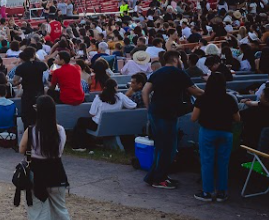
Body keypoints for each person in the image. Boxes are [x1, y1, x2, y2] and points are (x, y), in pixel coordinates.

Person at [19, 95, 81, 220]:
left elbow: (22, 149)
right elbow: (59, 151)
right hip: (57, 173)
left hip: (37, 175)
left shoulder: (31, 130)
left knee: (39, 213)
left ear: (37, 111)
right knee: (60, 210)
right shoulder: (60, 130)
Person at [143, 50, 204, 189]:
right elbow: (195, 91)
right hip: (168, 113)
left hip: (155, 112)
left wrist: (149, 108)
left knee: (160, 146)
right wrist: (214, 94)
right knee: (168, 148)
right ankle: (159, 179)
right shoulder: (179, 73)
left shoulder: (157, 72)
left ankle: (156, 176)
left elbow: (145, 91)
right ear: (176, 59)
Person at [191, 72, 240, 202]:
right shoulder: (230, 99)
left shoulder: (203, 98)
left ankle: (207, 192)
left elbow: (193, 118)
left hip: (208, 132)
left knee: (207, 162)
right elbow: (237, 118)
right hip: (225, 132)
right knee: (223, 163)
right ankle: (221, 192)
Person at [70, 78, 137, 151]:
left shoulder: (99, 97)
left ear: (104, 87)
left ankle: (79, 145)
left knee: (80, 121)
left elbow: (92, 113)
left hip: (98, 125)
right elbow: (133, 105)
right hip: (115, 124)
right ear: (115, 87)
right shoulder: (120, 96)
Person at [13, 47, 47, 126]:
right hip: (39, 92)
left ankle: (27, 134)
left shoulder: (21, 67)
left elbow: (15, 81)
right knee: (40, 115)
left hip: (27, 93)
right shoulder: (41, 65)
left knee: (27, 116)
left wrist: (22, 81)